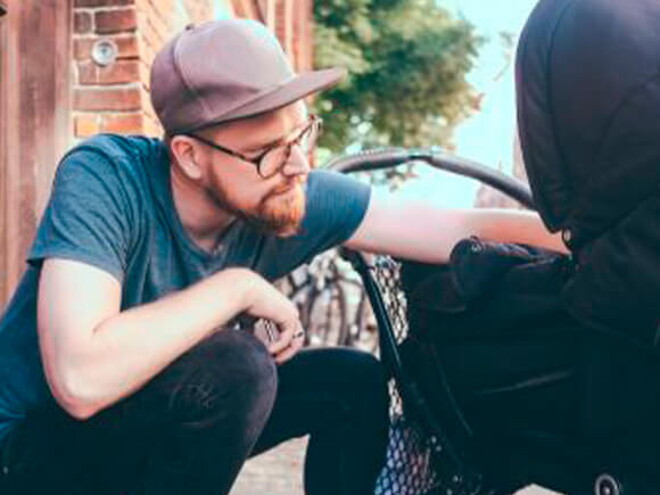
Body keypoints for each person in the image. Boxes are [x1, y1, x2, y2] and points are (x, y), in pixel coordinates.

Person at [0, 19, 565, 495]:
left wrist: (591, 234)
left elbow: (458, 227)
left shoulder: (287, 191)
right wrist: (237, 287)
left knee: (350, 381)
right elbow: (79, 378)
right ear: (190, 156)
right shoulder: (105, 177)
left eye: (301, 135)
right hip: (30, 451)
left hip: (137, 421)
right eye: (266, 152)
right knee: (239, 367)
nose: (296, 164)